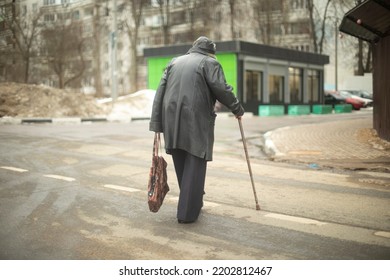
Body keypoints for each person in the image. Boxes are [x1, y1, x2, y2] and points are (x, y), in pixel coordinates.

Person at [149, 36, 244, 224]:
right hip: (196, 121)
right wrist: (237, 108)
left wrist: (157, 124)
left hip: (171, 121)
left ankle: (194, 202)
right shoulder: (209, 63)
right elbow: (221, 89)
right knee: (195, 164)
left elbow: (159, 93)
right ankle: (187, 214)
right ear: (210, 52)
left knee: (182, 164)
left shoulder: (174, 62)